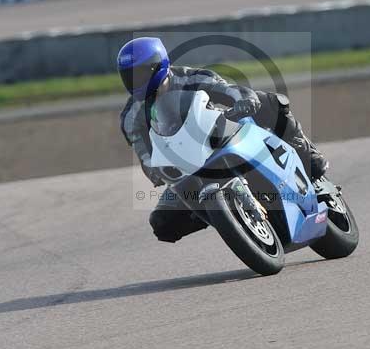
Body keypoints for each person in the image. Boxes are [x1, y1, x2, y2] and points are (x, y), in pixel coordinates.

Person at [118, 37, 328, 243]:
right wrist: (155, 171)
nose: (136, 80)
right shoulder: (131, 116)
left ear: (158, 65)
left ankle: (308, 158)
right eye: (130, 76)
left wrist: (244, 100)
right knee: (162, 224)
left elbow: (227, 89)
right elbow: (144, 152)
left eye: (141, 73)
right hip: (185, 165)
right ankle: (225, 214)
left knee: (270, 102)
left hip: (219, 137)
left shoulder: (190, 78)